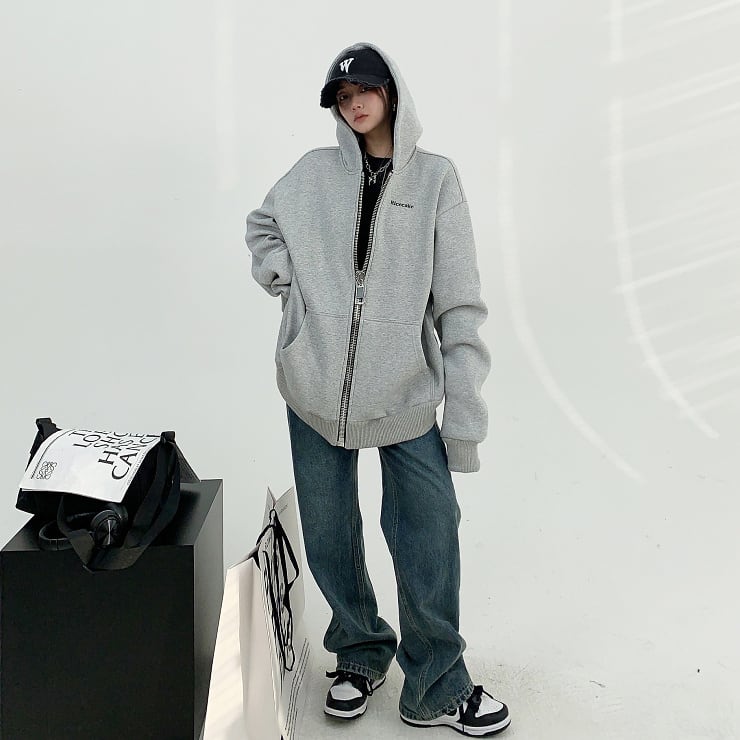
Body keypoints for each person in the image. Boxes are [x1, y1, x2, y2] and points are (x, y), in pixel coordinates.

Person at [245, 41, 510, 737]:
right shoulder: (313, 172)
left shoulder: (437, 179)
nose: (354, 103)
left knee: (429, 531)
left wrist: (465, 419)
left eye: (364, 89)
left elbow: (460, 306)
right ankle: (359, 654)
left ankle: (436, 685)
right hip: (313, 386)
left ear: (392, 92)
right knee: (330, 532)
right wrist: (290, 289)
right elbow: (262, 225)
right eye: (342, 96)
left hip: (404, 394)